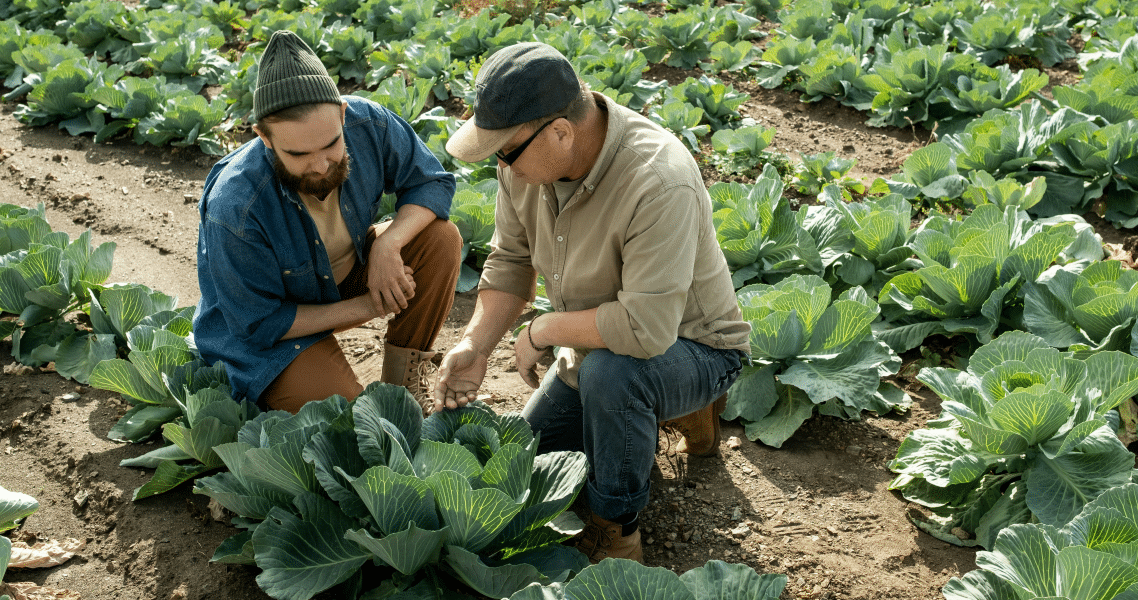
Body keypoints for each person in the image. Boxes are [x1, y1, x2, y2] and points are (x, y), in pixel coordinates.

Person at [434, 42, 750, 564]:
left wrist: (543, 330)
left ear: (561, 131)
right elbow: (511, 263)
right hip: (599, 342)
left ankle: (616, 524)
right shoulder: (525, 165)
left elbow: (646, 332)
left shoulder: (657, 179)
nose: (500, 163)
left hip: (695, 347)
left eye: (506, 150)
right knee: (532, 456)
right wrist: (477, 345)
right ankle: (677, 418)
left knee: (614, 377)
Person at [193, 30, 461, 413]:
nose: (320, 166)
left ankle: (404, 388)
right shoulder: (235, 206)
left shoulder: (369, 124)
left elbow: (431, 182)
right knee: (348, 420)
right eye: (299, 153)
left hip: (341, 280)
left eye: (331, 145)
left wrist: (389, 243)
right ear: (264, 137)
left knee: (439, 238)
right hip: (273, 331)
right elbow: (259, 323)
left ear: (341, 114)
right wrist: (369, 306)